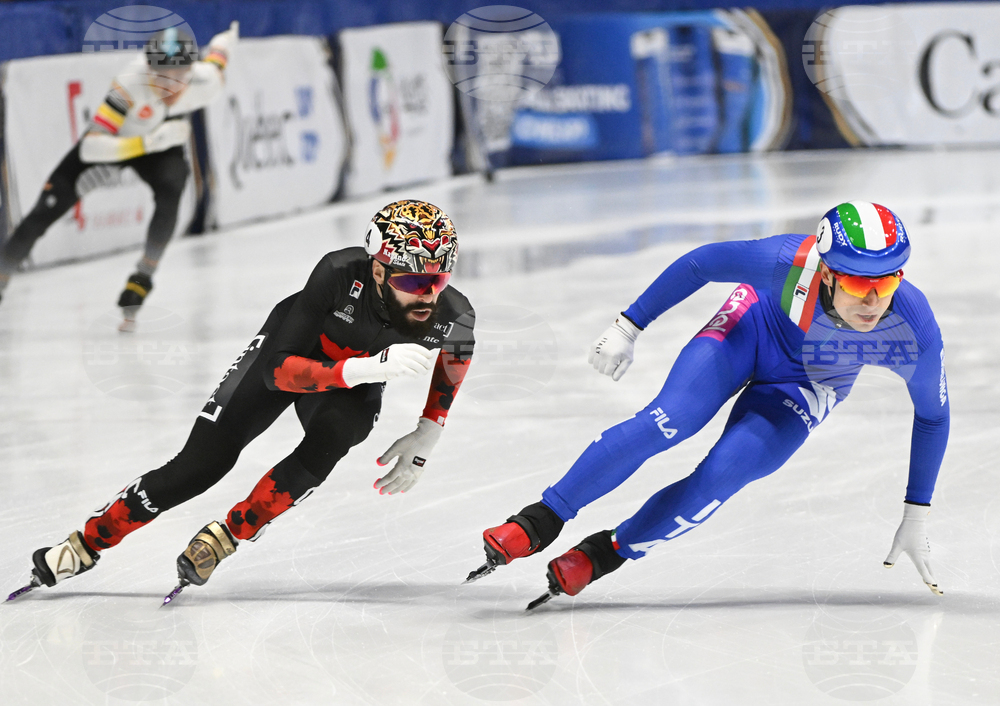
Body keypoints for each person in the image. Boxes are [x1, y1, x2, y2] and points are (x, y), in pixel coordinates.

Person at [467, 201, 948, 609]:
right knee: (669, 420)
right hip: (751, 329)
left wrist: (916, 514)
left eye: (886, 285)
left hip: (804, 385)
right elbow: (701, 263)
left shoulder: (913, 328)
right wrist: (629, 325)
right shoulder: (786, 260)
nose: (872, 301)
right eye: (858, 285)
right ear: (824, 272)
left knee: (724, 473)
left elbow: (933, 416)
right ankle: (540, 518)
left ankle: (603, 553)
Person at [8, 200, 476, 603]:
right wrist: (365, 369)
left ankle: (230, 535)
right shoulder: (336, 274)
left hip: (355, 375)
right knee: (199, 467)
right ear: (378, 270)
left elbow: (458, 351)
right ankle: (87, 541)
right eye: (414, 283)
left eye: (440, 278)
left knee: (337, 434)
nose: (430, 295)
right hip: (291, 353)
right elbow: (277, 372)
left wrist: (429, 429)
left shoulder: (453, 313)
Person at [0, 25, 236, 331]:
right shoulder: (128, 85)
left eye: (180, 77)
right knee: (43, 213)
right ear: (148, 70)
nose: (171, 88)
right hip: (116, 144)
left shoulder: (206, 82)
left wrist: (227, 39)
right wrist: (147, 143)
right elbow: (91, 147)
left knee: (174, 183)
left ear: (192, 70)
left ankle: (143, 277)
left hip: (160, 147)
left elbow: (219, 58)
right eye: (162, 77)